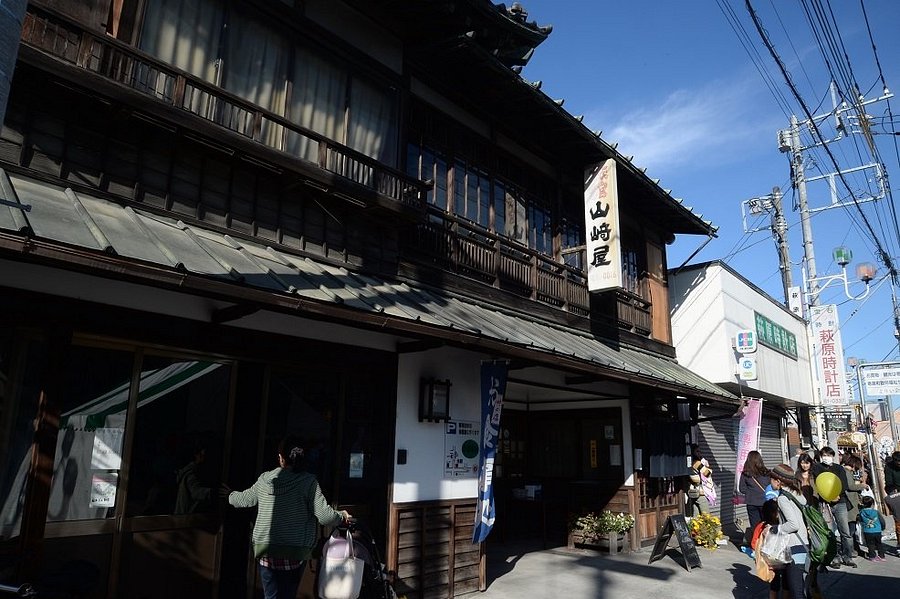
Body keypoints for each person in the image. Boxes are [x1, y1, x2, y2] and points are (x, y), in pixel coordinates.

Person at [223, 436, 351, 599]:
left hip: (266, 550)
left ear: (280, 458)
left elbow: (244, 500)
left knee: (271, 596)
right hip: (295, 551)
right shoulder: (308, 482)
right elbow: (325, 517)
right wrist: (342, 516)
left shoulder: (265, 479)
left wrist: (229, 495)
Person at [768, 464, 809, 599]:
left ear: (779, 481)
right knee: (801, 589)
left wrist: (776, 529)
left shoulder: (783, 498)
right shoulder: (797, 493)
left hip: (795, 547)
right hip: (804, 544)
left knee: (796, 592)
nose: (770, 481)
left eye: (772, 479)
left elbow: (793, 524)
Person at [812, 446, 857, 569]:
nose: (827, 457)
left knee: (845, 532)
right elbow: (817, 485)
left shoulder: (839, 468)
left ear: (833, 456)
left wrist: (836, 495)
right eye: (824, 455)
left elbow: (844, 484)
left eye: (829, 455)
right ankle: (834, 557)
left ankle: (847, 556)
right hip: (825, 504)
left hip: (840, 501)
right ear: (821, 456)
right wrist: (827, 497)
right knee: (830, 532)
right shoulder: (817, 468)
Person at [841, 453, 869, 558]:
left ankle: (853, 549)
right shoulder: (847, 472)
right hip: (850, 503)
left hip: (850, 503)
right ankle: (849, 550)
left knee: (851, 529)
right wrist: (862, 486)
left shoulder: (846, 471)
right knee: (850, 530)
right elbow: (850, 486)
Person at [174, 440, 212, 514]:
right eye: (204, 454)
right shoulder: (191, 474)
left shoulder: (191, 472)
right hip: (187, 519)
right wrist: (212, 492)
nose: (206, 457)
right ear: (197, 455)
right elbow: (196, 492)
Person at [739, 451, 771, 536]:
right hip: (766, 502)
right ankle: (767, 544)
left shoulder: (746, 474)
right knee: (767, 525)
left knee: (755, 526)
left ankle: (756, 545)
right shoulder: (767, 473)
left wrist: (751, 492)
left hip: (751, 502)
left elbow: (742, 489)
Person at [858, 494, 886, 561]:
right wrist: (883, 527)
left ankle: (872, 556)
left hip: (867, 531)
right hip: (877, 531)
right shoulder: (876, 512)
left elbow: (860, 520)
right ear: (872, 504)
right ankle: (882, 556)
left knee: (870, 545)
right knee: (879, 544)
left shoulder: (861, 512)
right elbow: (882, 521)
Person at [884, 485, 900, 553]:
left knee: (899, 534)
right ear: (895, 490)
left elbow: (889, 511)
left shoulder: (887, 499)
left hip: (898, 519)